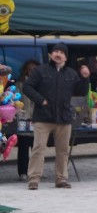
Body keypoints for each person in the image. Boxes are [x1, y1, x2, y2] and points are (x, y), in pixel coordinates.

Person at [22, 43, 90, 190]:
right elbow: (27, 87)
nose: (58, 54)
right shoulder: (41, 71)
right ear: (51, 55)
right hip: (43, 117)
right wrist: (40, 100)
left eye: (61, 52)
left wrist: (85, 78)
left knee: (63, 150)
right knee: (38, 148)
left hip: (64, 118)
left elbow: (81, 91)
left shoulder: (71, 74)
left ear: (65, 56)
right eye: (55, 51)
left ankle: (61, 178)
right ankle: (33, 179)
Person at [15, 59, 40, 180]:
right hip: (23, 119)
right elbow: (16, 101)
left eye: (34, 69)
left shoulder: (41, 84)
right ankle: (23, 173)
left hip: (37, 119)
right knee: (23, 147)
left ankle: (35, 172)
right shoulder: (19, 84)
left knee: (37, 148)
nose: (31, 72)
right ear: (26, 71)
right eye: (29, 69)